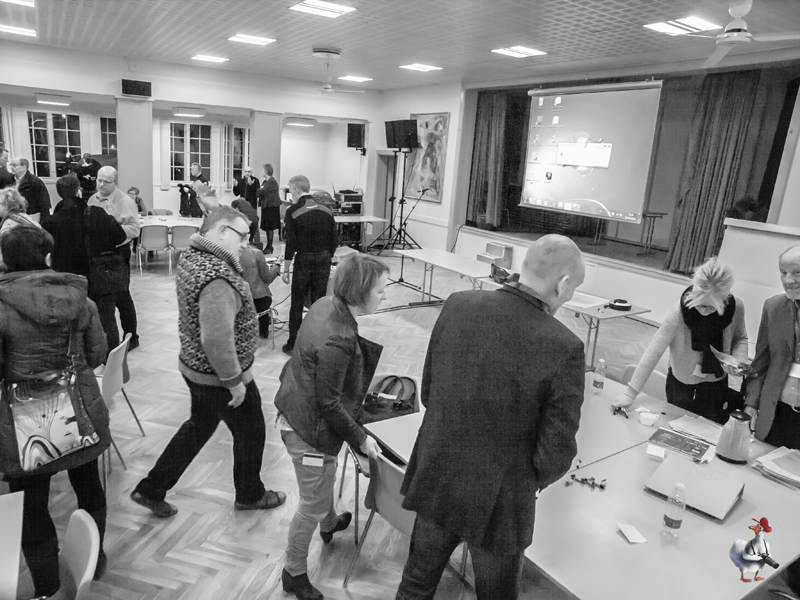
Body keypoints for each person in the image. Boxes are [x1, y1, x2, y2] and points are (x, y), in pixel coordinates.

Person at [394, 234, 586, 600]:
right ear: (563, 284)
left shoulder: (458, 304)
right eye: (573, 289)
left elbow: (429, 392)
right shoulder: (565, 347)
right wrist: (525, 479)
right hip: (502, 502)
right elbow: (556, 453)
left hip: (438, 472)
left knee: (415, 585)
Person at [130, 206, 286, 518]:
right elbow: (215, 338)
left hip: (195, 368)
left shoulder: (193, 255)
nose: (246, 243)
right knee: (252, 430)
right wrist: (234, 382)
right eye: (243, 236)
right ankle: (250, 494)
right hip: (219, 376)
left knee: (198, 427)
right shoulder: (217, 278)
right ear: (222, 232)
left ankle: (151, 488)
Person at [0, 226, 111, 597]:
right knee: (88, 485)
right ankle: (94, 558)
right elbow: (98, 353)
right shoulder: (81, 299)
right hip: (78, 406)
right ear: (48, 258)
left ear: (5, 260)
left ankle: (47, 586)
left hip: (24, 416)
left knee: (32, 504)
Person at [275, 253, 388, 600]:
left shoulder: (325, 303)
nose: (384, 295)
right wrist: (362, 439)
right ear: (361, 291)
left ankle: (329, 523)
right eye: (380, 290)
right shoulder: (339, 339)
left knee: (325, 476)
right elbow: (329, 405)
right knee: (310, 504)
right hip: (307, 430)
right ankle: (293, 572)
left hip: (295, 407)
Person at [614, 258, 748, 425]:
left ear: (725, 299)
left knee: (707, 428)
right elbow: (653, 352)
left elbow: (741, 338)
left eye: (711, 307)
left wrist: (738, 360)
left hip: (715, 384)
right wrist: (630, 393)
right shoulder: (678, 314)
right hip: (681, 384)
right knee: (676, 425)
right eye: (700, 305)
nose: (704, 311)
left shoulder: (736, 307)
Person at [43, 176, 127, 353]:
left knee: (73, 323)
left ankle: (80, 359)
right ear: (79, 191)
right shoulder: (97, 213)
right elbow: (120, 236)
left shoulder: (50, 222)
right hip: (99, 275)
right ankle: (112, 361)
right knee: (106, 320)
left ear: (59, 194)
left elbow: (46, 252)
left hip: (68, 281)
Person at [746, 245, 800, 450]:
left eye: (797, 272)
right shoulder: (773, 307)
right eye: (783, 272)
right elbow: (761, 362)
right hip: (774, 413)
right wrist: (751, 404)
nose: (788, 280)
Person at [281, 174, 339, 355]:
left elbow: (291, 243)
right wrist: (327, 257)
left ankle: (293, 343)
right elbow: (335, 240)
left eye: (290, 190)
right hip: (323, 259)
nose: (291, 194)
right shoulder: (326, 210)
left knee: (297, 302)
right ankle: (317, 342)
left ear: (295, 189)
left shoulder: (292, 211)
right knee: (318, 302)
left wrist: (286, 269)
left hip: (304, 260)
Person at [88, 166, 141, 350]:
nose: (101, 184)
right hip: (98, 255)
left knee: (122, 298)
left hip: (117, 255)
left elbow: (134, 229)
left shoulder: (125, 202)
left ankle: (130, 337)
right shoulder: (93, 199)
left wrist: (113, 232)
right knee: (113, 300)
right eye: (99, 180)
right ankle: (114, 342)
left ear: (115, 183)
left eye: (106, 182)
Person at [239, 244, 279, 338]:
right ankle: (263, 332)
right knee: (264, 301)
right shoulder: (257, 253)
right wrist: (277, 265)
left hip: (240, 299)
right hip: (259, 299)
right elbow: (267, 278)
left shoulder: (227, 253)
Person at [8, 157, 51, 221]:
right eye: (10, 165)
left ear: (24, 167)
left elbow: (44, 202)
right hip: (13, 215)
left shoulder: (35, 181)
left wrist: (44, 219)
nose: (11, 167)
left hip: (30, 216)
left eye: (14, 165)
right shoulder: (9, 180)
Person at [258, 163, 282, 255]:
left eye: (262, 170)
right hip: (267, 207)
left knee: (270, 227)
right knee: (268, 228)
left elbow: (262, 192)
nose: (261, 172)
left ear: (266, 171)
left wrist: (257, 190)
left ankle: (269, 246)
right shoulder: (265, 182)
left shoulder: (271, 182)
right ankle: (269, 246)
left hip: (271, 208)